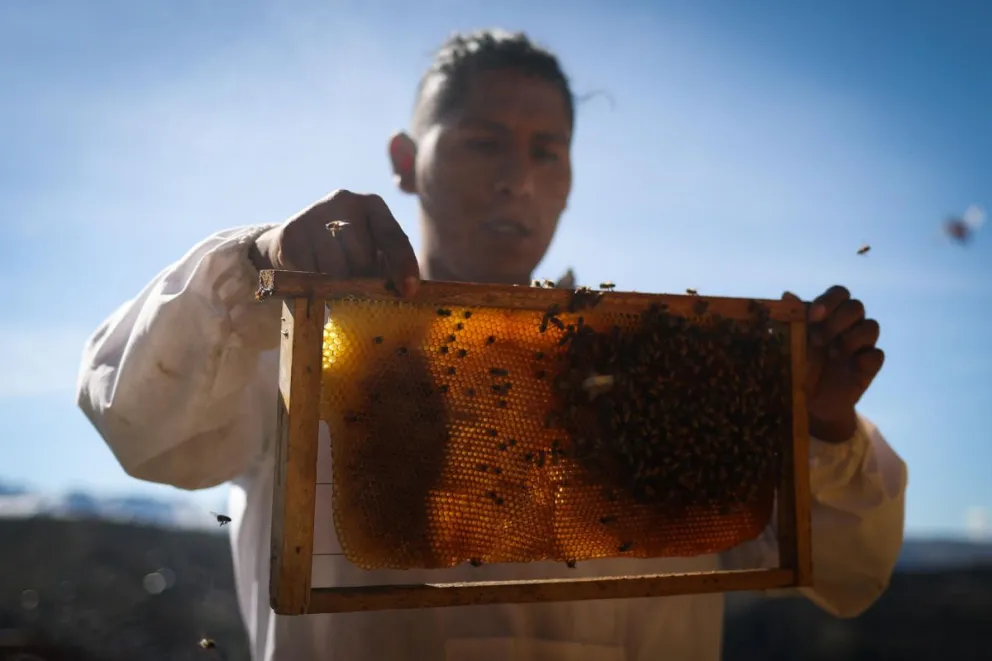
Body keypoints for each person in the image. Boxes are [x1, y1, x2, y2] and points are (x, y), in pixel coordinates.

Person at [76, 29, 908, 661]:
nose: (519, 177)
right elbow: (137, 424)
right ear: (406, 161)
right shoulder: (306, 341)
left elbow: (844, 574)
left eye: (547, 151)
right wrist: (255, 265)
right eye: (483, 141)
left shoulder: (671, 377)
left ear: (571, 177)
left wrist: (821, 429)